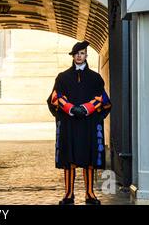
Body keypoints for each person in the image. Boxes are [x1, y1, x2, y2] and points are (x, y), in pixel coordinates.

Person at [47, 41, 111, 205]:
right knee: (69, 159)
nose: (79, 56)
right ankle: (69, 194)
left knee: (89, 158)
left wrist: (87, 108)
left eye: (82, 53)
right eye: (76, 54)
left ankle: (90, 193)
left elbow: (103, 100)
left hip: (89, 124)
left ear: (86, 55)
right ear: (73, 56)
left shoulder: (95, 78)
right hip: (69, 124)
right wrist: (70, 109)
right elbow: (55, 98)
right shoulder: (62, 77)